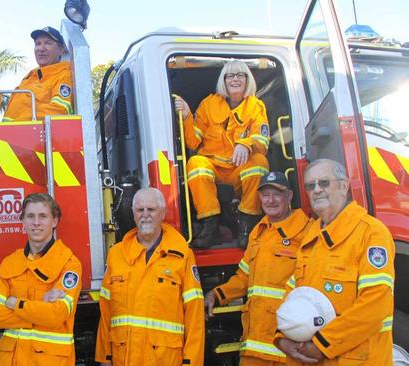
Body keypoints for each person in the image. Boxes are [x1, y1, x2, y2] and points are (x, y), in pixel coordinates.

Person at [275, 159, 395, 365]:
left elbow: (376, 304)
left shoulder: (371, 233)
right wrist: (282, 337)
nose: (317, 190)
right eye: (310, 186)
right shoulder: (311, 236)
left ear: (344, 186)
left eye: (324, 182)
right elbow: (293, 294)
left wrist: (322, 344)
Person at [204, 171, 311, 365]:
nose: (270, 200)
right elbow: (244, 277)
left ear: (290, 196)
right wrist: (217, 294)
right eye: (265, 194)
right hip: (254, 348)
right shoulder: (258, 233)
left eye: (277, 194)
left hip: (288, 350)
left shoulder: (307, 232)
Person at [95, 187, 205, 366]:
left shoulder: (182, 255)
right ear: (133, 214)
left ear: (163, 213)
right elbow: (106, 311)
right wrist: (104, 358)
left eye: (151, 209)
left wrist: (191, 362)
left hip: (164, 360)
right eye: (140, 210)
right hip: (124, 359)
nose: (145, 215)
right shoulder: (116, 255)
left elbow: (194, 316)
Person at [174, 59, 270, 249]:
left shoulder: (256, 106)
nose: (235, 79)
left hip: (238, 171)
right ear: (223, 81)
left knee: (259, 163)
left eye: (240, 75)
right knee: (196, 164)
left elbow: (262, 140)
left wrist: (246, 144)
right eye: (230, 76)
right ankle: (211, 225)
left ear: (247, 79)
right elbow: (193, 142)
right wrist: (186, 116)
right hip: (215, 171)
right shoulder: (208, 104)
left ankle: (246, 225)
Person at [0, 193, 82, 366]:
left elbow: (56, 315)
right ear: (23, 221)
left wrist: (15, 304)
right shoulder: (10, 262)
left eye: (42, 216)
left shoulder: (69, 264)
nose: (36, 222)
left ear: (55, 221)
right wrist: (40, 310)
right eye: (30, 216)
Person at [3, 26, 73, 122]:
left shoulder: (65, 75)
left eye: (48, 43)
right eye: (38, 44)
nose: (41, 48)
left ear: (61, 50)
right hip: (7, 134)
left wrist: (17, 123)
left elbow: (59, 110)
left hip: (34, 135)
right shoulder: (30, 77)